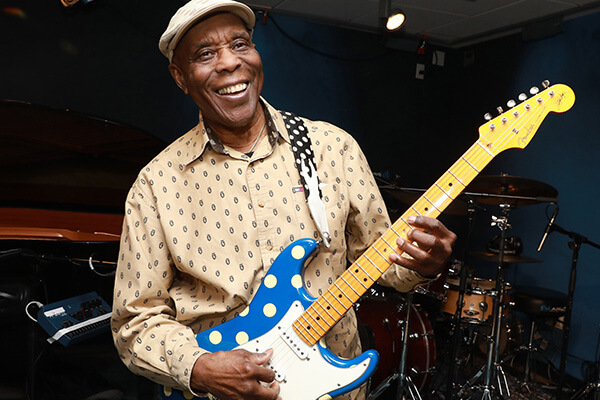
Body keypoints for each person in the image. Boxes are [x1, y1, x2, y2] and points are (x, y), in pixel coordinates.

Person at [110, 1, 457, 399]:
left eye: (240, 45)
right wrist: (199, 367)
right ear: (180, 77)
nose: (228, 63)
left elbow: (382, 263)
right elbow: (134, 323)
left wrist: (422, 263)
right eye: (205, 54)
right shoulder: (156, 184)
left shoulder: (332, 148)